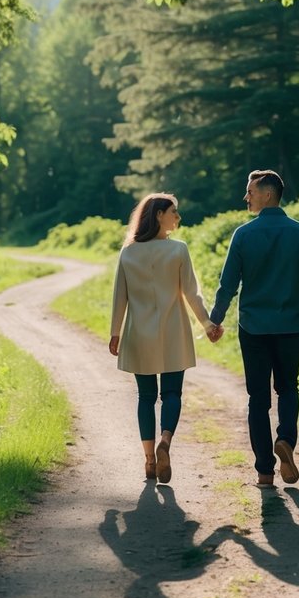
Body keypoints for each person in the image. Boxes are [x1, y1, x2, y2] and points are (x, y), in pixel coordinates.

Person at [209, 170, 299, 487]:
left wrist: (215, 319)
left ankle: (264, 472)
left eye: (250, 191)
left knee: (258, 398)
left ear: (267, 194)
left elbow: (227, 285)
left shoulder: (243, 235)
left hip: (254, 328)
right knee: (288, 388)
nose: (246, 197)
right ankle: (285, 438)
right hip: (288, 326)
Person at [109, 193, 222, 483]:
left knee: (145, 398)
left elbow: (119, 297)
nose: (178, 217)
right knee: (172, 394)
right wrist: (208, 324)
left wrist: (115, 333)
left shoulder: (128, 252)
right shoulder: (178, 250)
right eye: (174, 211)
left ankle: (149, 460)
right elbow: (191, 293)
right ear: (159, 214)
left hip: (138, 334)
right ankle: (166, 442)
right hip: (173, 331)